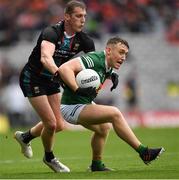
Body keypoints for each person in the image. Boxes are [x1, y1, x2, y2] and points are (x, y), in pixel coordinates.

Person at [14, 0, 119, 173]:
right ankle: (50, 158)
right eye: (78, 16)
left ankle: (25, 137)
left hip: (53, 80)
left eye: (84, 16)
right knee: (52, 124)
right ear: (67, 17)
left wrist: (110, 73)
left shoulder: (85, 40)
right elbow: (45, 58)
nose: (83, 20)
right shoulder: (51, 32)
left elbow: (95, 64)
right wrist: (59, 74)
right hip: (33, 78)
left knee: (60, 125)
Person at [57, 36, 165, 171]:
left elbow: (97, 71)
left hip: (83, 104)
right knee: (114, 113)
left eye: (125, 54)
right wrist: (77, 89)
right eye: (121, 52)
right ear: (108, 51)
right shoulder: (95, 59)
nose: (124, 57)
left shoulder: (107, 64)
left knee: (103, 129)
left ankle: (96, 165)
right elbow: (64, 69)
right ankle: (144, 152)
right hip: (72, 107)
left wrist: (111, 74)